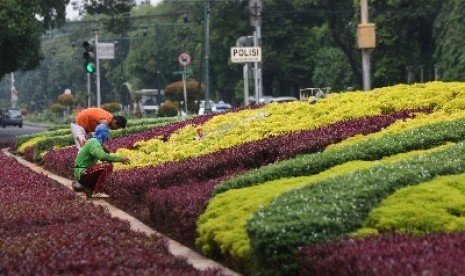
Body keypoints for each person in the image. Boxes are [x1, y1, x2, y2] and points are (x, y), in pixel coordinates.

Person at [73, 123, 130, 198]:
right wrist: (120, 159)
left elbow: (102, 155)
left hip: (82, 173)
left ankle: (89, 189)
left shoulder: (94, 142)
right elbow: (102, 156)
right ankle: (97, 192)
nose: (107, 136)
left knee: (104, 166)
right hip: (82, 173)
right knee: (107, 167)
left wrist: (108, 154)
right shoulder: (93, 142)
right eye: (106, 134)